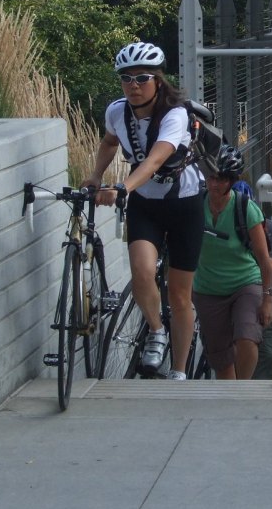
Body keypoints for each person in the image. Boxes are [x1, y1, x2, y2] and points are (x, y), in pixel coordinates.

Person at [83, 41, 205, 380]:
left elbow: (156, 158)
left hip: (185, 204)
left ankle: (179, 371)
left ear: (158, 80)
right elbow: (109, 143)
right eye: (126, 78)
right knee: (141, 271)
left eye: (142, 78)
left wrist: (122, 186)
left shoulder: (175, 113)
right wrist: (95, 175)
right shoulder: (116, 112)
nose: (133, 86)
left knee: (180, 295)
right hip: (145, 205)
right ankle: (155, 330)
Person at [193, 145, 272, 379]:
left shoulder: (245, 208)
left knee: (247, 338)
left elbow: (264, 259)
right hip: (207, 289)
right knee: (220, 356)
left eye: (220, 179)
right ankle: (229, 396)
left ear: (231, 180)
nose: (214, 184)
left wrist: (267, 299)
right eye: (210, 178)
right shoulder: (197, 204)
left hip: (245, 284)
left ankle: (243, 388)